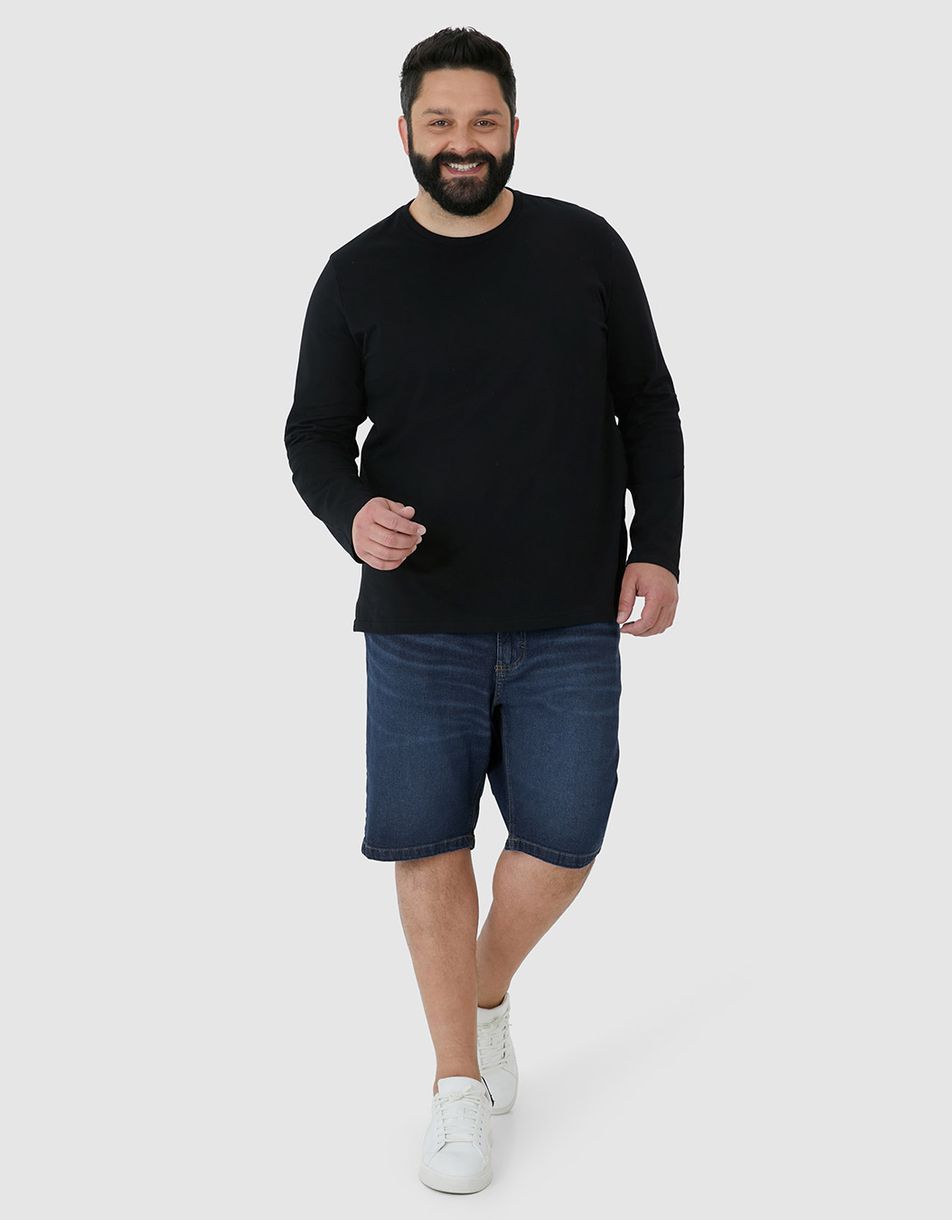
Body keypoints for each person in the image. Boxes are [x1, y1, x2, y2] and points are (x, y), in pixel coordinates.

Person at [283, 26, 684, 1194]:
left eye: (483, 121)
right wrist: (350, 511)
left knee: (562, 841)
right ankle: (456, 1080)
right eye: (441, 123)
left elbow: (648, 404)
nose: (463, 143)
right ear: (405, 132)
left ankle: (484, 989)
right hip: (420, 619)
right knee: (427, 843)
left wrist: (656, 548)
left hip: (570, 612)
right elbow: (313, 434)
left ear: (513, 128)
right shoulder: (356, 272)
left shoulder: (584, 247)